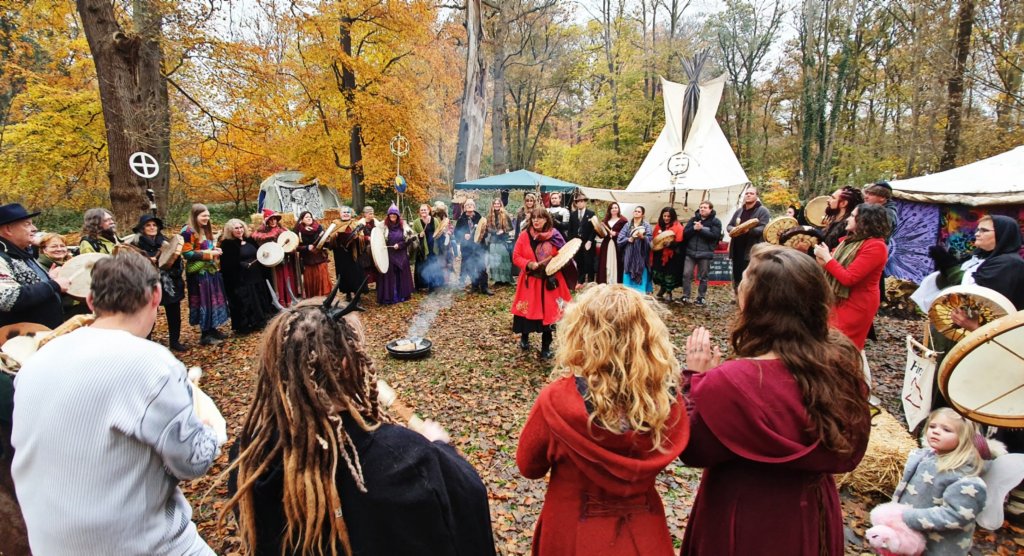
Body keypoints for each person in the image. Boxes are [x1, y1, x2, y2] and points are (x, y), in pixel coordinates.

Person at [222, 299, 496, 556]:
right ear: (346, 364)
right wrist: (439, 448)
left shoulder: (248, 458)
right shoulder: (408, 463)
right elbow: (468, 504)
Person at [11, 250, 223, 555]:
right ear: (156, 295)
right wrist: (210, 430)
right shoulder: (151, 364)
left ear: (90, 301)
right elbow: (193, 462)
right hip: (139, 545)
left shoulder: (34, 363)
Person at [680, 244, 871, 555]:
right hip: (810, 514)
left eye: (744, 279)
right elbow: (851, 449)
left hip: (743, 514)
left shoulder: (728, 382)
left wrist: (695, 381)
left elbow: (693, 450)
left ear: (754, 302)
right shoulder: (842, 367)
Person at [517, 284, 690, 555]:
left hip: (572, 530)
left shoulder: (557, 401)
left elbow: (529, 466)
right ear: (647, 337)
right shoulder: (663, 400)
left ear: (581, 334)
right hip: (644, 534)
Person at [885, 408, 989, 556]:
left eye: (946, 430)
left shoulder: (964, 477)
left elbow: (956, 515)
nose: (936, 431)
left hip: (937, 547)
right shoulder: (925, 457)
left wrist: (907, 517)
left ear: (964, 438)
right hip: (910, 537)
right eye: (932, 426)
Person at [813, 203, 890, 350]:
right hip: (839, 299)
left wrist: (827, 259)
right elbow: (836, 267)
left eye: (853, 216)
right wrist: (824, 259)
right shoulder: (851, 241)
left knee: (843, 344)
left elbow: (849, 278)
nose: (848, 219)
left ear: (864, 221)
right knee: (829, 340)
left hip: (857, 303)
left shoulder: (876, 247)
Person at [511, 207, 573, 359]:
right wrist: (528, 264)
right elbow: (516, 256)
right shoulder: (525, 236)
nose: (536, 220)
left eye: (539, 217)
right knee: (527, 313)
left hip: (550, 281)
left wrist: (558, 261)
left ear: (546, 219)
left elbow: (564, 254)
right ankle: (524, 338)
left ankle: (546, 347)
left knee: (549, 315)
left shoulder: (555, 235)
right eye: (533, 218)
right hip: (531, 281)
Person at [0, 203, 67, 328]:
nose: (34, 228)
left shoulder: (22, 253)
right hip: (23, 338)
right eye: (27, 224)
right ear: (8, 229)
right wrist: (54, 285)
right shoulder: (2, 257)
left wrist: (49, 279)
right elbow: (8, 299)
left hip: (42, 334)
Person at [132, 214, 188, 352]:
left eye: (154, 225)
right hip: (147, 284)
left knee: (174, 313)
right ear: (142, 228)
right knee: (148, 315)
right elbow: (131, 266)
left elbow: (178, 262)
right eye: (148, 225)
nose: (152, 227)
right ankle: (146, 342)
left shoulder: (166, 242)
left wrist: (169, 267)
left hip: (168, 283)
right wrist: (148, 262)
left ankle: (174, 341)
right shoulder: (136, 245)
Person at [181, 203, 229, 345]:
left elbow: (208, 246)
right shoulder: (187, 231)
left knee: (212, 300)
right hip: (198, 273)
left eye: (208, 215)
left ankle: (212, 328)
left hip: (210, 270)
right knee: (204, 301)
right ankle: (205, 334)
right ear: (195, 215)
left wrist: (215, 249)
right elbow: (187, 253)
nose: (206, 218)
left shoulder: (205, 228)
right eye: (203, 216)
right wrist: (209, 254)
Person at [219, 218, 277, 334]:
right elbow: (227, 265)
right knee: (246, 300)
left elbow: (258, 254)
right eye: (236, 228)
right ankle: (246, 325)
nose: (239, 230)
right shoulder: (227, 244)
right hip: (242, 279)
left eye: (241, 227)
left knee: (258, 297)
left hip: (256, 275)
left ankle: (260, 321)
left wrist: (264, 254)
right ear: (230, 230)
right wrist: (240, 264)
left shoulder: (250, 239)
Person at [725, 186, 770, 294]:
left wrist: (749, 230)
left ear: (756, 196)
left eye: (751, 193)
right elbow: (729, 226)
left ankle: (749, 297)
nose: (748, 195)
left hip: (751, 249)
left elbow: (764, 228)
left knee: (750, 275)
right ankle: (737, 296)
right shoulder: (739, 211)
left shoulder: (762, 211)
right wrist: (734, 230)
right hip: (737, 249)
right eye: (747, 193)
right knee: (737, 275)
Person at [252, 210, 300, 307]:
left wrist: (291, 248)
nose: (273, 221)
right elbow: (261, 247)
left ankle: (290, 300)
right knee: (278, 281)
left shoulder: (283, 230)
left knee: (288, 278)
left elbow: (291, 242)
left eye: (274, 219)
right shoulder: (262, 233)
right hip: (272, 261)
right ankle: (281, 302)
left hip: (285, 259)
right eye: (270, 219)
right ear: (267, 221)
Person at [36, 232, 88, 320]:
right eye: (54, 246)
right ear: (44, 250)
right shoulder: (40, 268)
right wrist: (52, 282)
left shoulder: (70, 264)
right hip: (60, 313)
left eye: (62, 246)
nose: (59, 249)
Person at [681, 202, 722, 306]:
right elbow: (685, 234)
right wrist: (694, 229)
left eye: (705, 207)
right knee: (686, 274)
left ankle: (701, 297)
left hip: (705, 253)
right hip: (690, 252)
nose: (702, 209)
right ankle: (685, 295)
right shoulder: (693, 220)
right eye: (701, 207)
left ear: (710, 209)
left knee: (703, 276)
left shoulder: (715, 221)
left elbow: (715, 236)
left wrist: (701, 230)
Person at [327, 206, 367, 301]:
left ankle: (357, 295)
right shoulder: (335, 224)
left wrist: (356, 238)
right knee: (344, 274)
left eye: (348, 212)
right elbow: (329, 238)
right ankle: (347, 293)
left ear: (351, 214)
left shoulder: (356, 224)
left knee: (355, 274)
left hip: (353, 253)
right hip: (340, 254)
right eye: (344, 212)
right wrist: (335, 236)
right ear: (340, 214)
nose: (346, 214)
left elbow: (362, 238)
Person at [378, 204, 414, 305]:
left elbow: (409, 240)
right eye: (391, 214)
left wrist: (400, 245)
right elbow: (378, 240)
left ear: (397, 215)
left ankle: (401, 295)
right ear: (388, 215)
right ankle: (390, 297)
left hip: (401, 255)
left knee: (401, 275)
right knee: (390, 276)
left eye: (394, 214)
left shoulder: (404, 226)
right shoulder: (383, 227)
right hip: (388, 255)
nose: (392, 215)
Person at [455, 199, 491, 295]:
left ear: (474, 207)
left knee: (482, 266)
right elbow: (456, 234)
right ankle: (474, 286)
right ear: (464, 208)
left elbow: (486, 232)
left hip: (479, 247)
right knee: (470, 267)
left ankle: (484, 287)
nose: (469, 206)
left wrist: (481, 234)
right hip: (466, 248)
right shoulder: (461, 220)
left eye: (471, 204)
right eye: (467, 205)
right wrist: (463, 236)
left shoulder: (481, 219)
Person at [294, 211, 333, 297]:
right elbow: (295, 246)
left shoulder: (319, 227)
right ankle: (313, 299)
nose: (309, 218)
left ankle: (324, 298)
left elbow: (325, 244)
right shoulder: (298, 231)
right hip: (307, 260)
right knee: (310, 282)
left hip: (319, 258)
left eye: (310, 216)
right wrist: (306, 247)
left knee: (322, 280)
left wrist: (327, 241)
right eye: (306, 217)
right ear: (302, 220)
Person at [617, 206, 653, 294]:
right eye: (635, 211)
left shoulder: (646, 225)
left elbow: (650, 239)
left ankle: (640, 293)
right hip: (629, 253)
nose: (636, 212)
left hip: (641, 254)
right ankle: (628, 293)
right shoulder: (627, 225)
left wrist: (643, 237)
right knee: (627, 271)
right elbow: (620, 238)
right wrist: (628, 239)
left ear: (643, 215)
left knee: (641, 270)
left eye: (639, 211)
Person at [652, 207, 685, 301]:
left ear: (672, 216)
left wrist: (670, 244)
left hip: (672, 255)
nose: (666, 218)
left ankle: (669, 292)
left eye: (668, 216)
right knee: (658, 273)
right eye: (664, 216)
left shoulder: (678, 227)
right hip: (659, 254)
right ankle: (662, 288)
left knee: (669, 274)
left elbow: (680, 242)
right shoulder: (659, 225)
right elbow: (655, 239)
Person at [821, 186, 864, 250]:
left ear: (843, 203)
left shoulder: (847, 228)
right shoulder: (835, 221)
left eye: (833, 198)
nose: (828, 200)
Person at [567, 192, 597, 284]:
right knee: (579, 262)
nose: (580, 203)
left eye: (582, 201)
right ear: (576, 203)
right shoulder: (573, 214)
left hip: (588, 242)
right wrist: (571, 242)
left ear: (585, 202)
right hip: (577, 242)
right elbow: (570, 230)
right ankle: (580, 282)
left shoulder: (591, 214)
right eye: (578, 201)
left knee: (589, 262)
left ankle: (591, 282)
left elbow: (595, 229)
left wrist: (590, 240)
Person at [596, 202, 627, 284]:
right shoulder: (605, 220)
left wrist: (616, 234)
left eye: (616, 207)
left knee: (617, 262)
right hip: (606, 245)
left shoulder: (623, 220)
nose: (614, 209)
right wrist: (600, 228)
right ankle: (605, 281)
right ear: (609, 210)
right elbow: (601, 235)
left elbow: (626, 233)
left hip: (617, 246)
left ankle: (616, 281)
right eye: (612, 208)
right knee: (605, 262)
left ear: (618, 209)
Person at [486, 198, 514, 286]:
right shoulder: (489, 215)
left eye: (498, 203)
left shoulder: (505, 214)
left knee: (504, 260)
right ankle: (497, 279)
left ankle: (506, 280)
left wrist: (503, 230)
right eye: (495, 204)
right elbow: (487, 228)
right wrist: (495, 232)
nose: (496, 205)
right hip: (493, 240)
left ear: (500, 204)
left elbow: (511, 227)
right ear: (493, 205)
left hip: (503, 240)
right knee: (494, 261)